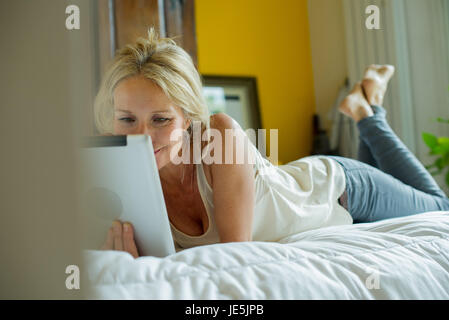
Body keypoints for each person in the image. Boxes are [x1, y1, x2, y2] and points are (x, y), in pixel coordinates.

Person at [97, 28, 449, 258]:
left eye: (161, 119)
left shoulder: (219, 135)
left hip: (341, 190)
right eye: (127, 119)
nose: (141, 137)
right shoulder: (124, 180)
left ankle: (368, 115)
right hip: (331, 202)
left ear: (187, 118)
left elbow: (234, 254)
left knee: (440, 207)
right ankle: (364, 101)